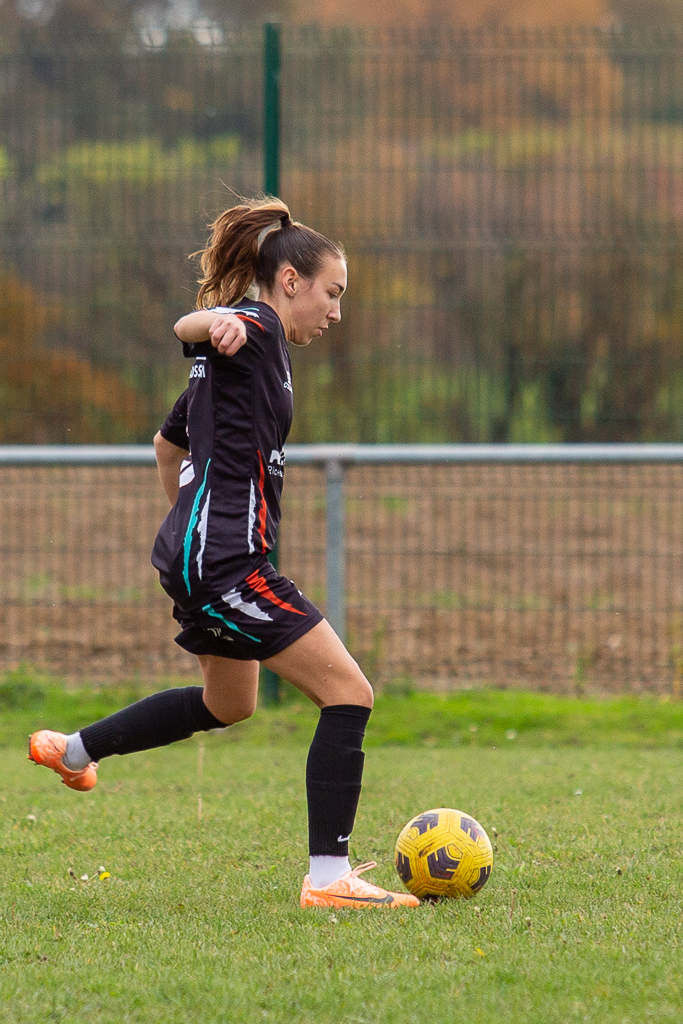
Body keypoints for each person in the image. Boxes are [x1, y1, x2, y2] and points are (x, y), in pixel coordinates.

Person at [28, 197, 419, 911]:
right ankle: (328, 879)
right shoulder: (257, 328)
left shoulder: (246, 365)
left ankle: (72, 750)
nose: (336, 312)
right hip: (227, 564)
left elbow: (167, 444)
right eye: (332, 293)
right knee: (349, 694)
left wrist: (186, 524)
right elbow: (191, 328)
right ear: (291, 280)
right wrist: (215, 322)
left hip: (199, 557)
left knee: (228, 704)